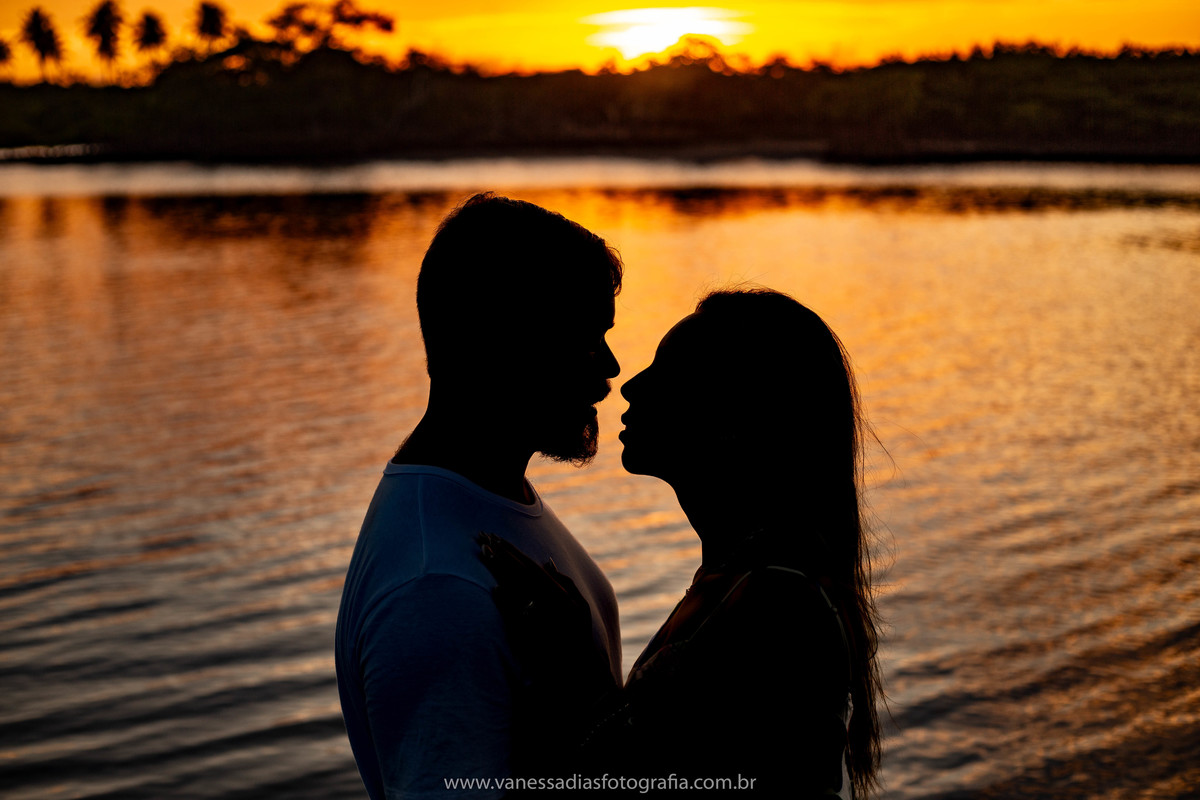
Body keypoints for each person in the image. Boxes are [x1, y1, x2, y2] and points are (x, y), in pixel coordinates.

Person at [484, 288, 884, 798]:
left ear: (731, 423)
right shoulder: (745, 577)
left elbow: (615, 779)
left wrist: (573, 660)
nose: (629, 386)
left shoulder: (776, 605)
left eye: (666, 373)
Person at [335, 193, 625, 800]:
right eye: (585, 338)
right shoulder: (437, 589)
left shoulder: (488, 496)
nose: (610, 365)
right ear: (504, 343)